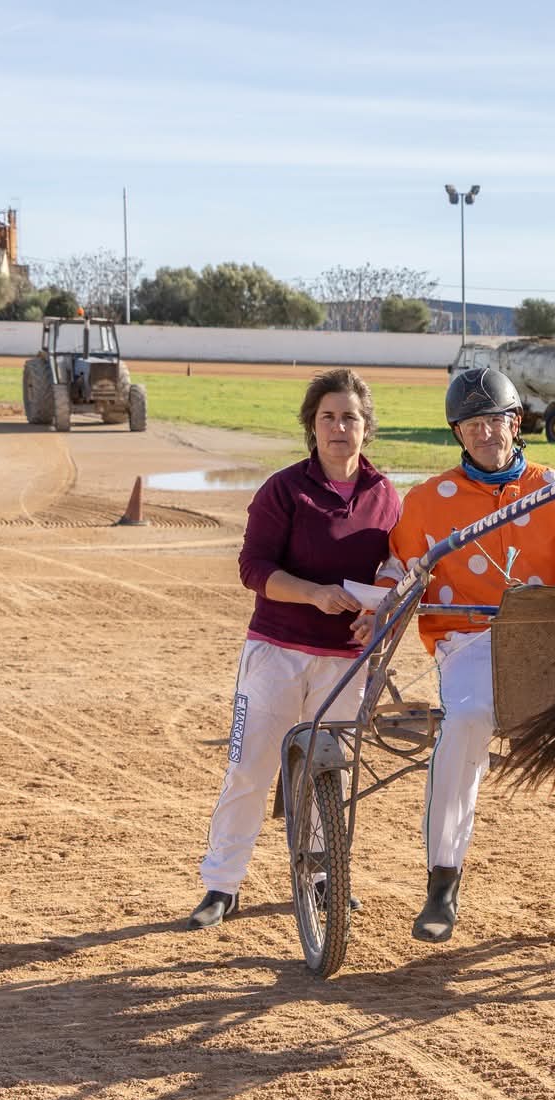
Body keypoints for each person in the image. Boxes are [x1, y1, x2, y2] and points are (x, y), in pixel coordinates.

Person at [376, 367, 555, 944]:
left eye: (495, 421)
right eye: (471, 425)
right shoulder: (428, 502)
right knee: (470, 717)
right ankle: (443, 879)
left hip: (554, 636)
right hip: (470, 641)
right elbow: (399, 574)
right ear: (459, 433)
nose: (485, 433)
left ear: (517, 423)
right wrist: (378, 603)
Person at [188, 368, 402, 929]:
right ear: (312, 426)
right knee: (249, 767)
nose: (339, 428)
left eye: (349, 418)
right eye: (327, 417)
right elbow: (253, 568)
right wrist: (313, 594)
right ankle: (222, 884)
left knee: (327, 771)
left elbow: (397, 572)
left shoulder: (385, 496)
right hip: (276, 652)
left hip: (345, 660)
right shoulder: (284, 489)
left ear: (366, 428)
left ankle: (321, 875)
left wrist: (377, 613)